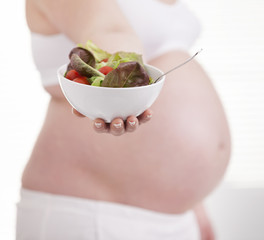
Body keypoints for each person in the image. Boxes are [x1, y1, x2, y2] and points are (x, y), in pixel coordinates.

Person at [16, 0, 231, 239]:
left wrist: (192, 200)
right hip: (92, 213)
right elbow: (110, 31)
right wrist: (120, 91)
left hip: (173, 216)